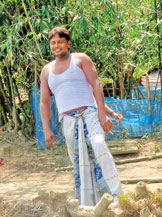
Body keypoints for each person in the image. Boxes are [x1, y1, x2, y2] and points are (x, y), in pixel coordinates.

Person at [39, 26, 124, 206]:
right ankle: (90, 202)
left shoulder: (80, 59)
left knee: (99, 146)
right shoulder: (47, 71)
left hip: (89, 114)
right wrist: (46, 129)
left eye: (60, 42)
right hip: (68, 121)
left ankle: (117, 194)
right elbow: (45, 102)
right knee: (79, 161)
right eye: (53, 42)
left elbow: (96, 85)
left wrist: (103, 115)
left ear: (68, 43)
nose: (56, 46)